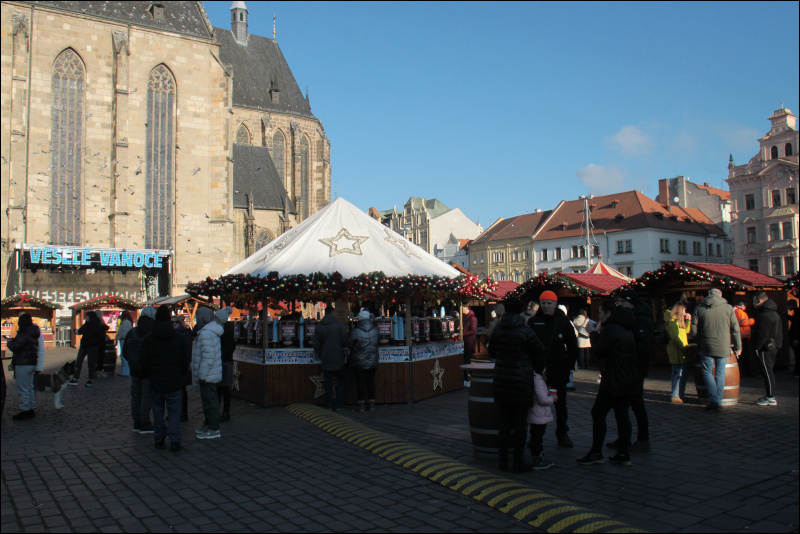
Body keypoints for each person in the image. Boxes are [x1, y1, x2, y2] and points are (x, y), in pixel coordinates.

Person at [578, 298, 639, 467]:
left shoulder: (612, 329)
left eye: (600, 313)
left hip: (614, 379)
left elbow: (599, 351)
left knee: (598, 413)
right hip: (629, 378)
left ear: (608, 313)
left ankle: (596, 452)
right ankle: (624, 453)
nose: (598, 316)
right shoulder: (627, 328)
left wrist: (593, 333)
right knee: (622, 414)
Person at [489, 297, 546, 472]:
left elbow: (492, 352)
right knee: (520, 424)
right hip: (521, 380)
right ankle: (518, 461)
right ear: (520, 311)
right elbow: (540, 350)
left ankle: (503, 461)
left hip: (501, 380)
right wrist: (535, 367)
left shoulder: (498, 329)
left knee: (504, 423)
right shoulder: (525, 330)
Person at [527, 291, 578, 448]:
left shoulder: (563, 321)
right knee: (536, 404)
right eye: (543, 303)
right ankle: (535, 437)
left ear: (555, 304)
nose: (546, 306)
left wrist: (568, 368)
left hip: (558, 370)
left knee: (560, 404)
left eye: (549, 303)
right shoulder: (533, 322)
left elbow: (572, 346)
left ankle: (562, 433)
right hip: (538, 371)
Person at [142, 306, 191, 451]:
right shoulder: (178, 338)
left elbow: (143, 360)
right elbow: (185, 359)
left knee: (157, 412)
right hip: (174, 381)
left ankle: (159, 439)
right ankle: (175, 440)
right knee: (174, 412)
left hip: (156, 381)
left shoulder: (149, 338)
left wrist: (149, 375)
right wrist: (181, 374)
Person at [610, 290, 653, 453]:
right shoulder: (629, 316)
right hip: (627, 367)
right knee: (623, 404)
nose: (620, 305)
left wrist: (638, 368)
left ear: (631, 303)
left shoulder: (640, 319)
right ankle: (624, 437)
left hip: (635, 368)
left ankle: (643, 438)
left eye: (623, 302)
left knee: (637, 404)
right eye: (619, 302)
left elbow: (643, 346)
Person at [690, 288, 741, 411]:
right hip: (723, 345)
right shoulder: (728, 308)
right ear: (721, 295)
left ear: (709, 294)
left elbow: (693, 329)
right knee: (720, 374)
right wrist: (738, 346)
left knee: (707, 372)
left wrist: (698, 341)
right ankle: (718, 399)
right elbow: (735, 329)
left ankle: (713, 398)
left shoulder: (699, 308)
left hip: (706, 345)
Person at [192, 307, 230, 439]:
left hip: (208, 374)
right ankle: (209, 425)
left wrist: (202, 375)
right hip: (211, 373)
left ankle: (213, 428)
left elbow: (208, 357)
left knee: (210, 401)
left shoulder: (206, 333)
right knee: (209, 400)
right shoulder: (210, 331)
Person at [123, 306, 156, 433]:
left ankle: (136, 422)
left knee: (136, 396)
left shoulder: (132, 332)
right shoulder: (153, 332)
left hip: (134, 369)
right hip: (148, 369)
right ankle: (145, 423)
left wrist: (132, 362)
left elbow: (125, 352)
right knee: (146, 396)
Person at [314, 306, 349, 411]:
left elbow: (316, 344)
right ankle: (339, 404)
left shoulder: (319, 327)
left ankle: (329, 404)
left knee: (327, 382)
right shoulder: (339, 325)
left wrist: (321, 354)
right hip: (338, 357)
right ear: (333, 313)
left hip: (326, 358)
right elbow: (344, 341)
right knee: (340, 381)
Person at [6, 313, 40, 420]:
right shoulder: (33, 334)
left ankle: (25, 410)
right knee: (30, 387)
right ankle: (31, 408)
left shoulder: (24, 335)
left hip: (23, 363)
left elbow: (16, 347)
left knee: (23, 388)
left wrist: (9, 342)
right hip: (32, 363)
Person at [752, 292, 782, 406]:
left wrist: (757, 347)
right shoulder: (774, 313)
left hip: (766, 347)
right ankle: (770, 395)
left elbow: (762, 334)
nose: (753, 303)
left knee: (767, 372)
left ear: (759, 301)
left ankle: (770, 397)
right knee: (769, 371)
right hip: (774, 346)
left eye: (754, 300)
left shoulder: (764, 315)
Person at [347, 309, 380, 412]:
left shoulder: (355, 331)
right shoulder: (375, 330)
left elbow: (349, 344)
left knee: (360, 382)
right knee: (370, 381)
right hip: (372, 360)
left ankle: (361, 404)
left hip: (358, 361)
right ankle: (371, 404)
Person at [69, 311, 109, 387]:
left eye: (87, 316)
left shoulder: (95, 326)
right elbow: (80, 331)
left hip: (91, 346)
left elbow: (79, 332)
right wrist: (76, 331)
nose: (86, 317)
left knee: (88, 363)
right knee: (82, 362)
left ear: (90, 317)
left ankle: (87, 379)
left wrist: (75, 331)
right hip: (86, 346)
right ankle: (78, 378)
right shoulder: (88, 325)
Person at [527, 363, 555, 470]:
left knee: (537, 435)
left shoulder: (535, 379)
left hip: (537, 414)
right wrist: (552, 398)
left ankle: (539, 455)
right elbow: (542, 399)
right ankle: (537, 457)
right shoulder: (538, 380)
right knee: (537, 436)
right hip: (539, 414)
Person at [666, 302, 692, 404]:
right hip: (677, 351)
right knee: (678, 374)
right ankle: (675, 395)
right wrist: (683, 348)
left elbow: (686, 331)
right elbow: (675, 338)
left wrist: (688, 321)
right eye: (684, 310)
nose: (685, 312)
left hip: (682, 351)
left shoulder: (679, 321)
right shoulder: (673, 321)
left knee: (682, 374)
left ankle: (680, 395)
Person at [171, 315, 194, 422]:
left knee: (181, 390)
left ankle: (183, 413)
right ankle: (175, 412)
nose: (174, 324)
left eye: (176, 322)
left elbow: (188, 351)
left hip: (182, 366)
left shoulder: (185, 334)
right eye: (172, 322)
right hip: (173, 366)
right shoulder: (170, 334)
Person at [218, 314, 237, 421]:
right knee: (222, 388)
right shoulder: (226, 329)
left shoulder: (226, 331)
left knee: (224, 388)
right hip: (225, 361)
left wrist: (221, 355)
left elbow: (231, 346)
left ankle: (225, 411)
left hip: (224, 362)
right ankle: (223, 411)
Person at [734, 300, 756, 376]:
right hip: (742, 337)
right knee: (744, 355)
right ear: (742, 305)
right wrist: (753, 320)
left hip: (742, 336)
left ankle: (745, 371)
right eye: (745, 305)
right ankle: (745, 371)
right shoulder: (739, 311)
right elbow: (743, 322)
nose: (746, 307)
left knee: (744, 355)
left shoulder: (737, 311)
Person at [462, 304, 478, 386]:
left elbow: (473, 331)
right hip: (464, 342)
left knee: (466, 361)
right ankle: (468, 378)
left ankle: (470, 378)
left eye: (462, 308)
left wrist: (462, 334)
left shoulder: (472, 318)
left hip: (469, 343)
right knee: (465, 361)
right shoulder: (464, 317)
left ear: (466, 308)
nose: (461, 309)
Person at [115, 311, 133, 377]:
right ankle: (124, 371)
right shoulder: (127, 322)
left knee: (124, 355)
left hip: (124, 340)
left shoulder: (126, 322)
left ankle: (125, 372)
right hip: (124, 339)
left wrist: (120, 337)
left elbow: (125, 332)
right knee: (123, 355)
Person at [787, 300, 799, 379]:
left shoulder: (797, 313)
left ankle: (797, 372)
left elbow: (796, 326)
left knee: (797, 356)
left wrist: (796, 339)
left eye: (788, 305)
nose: (787, 307)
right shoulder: (796, 313)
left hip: (796, 338)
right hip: (795, 338)